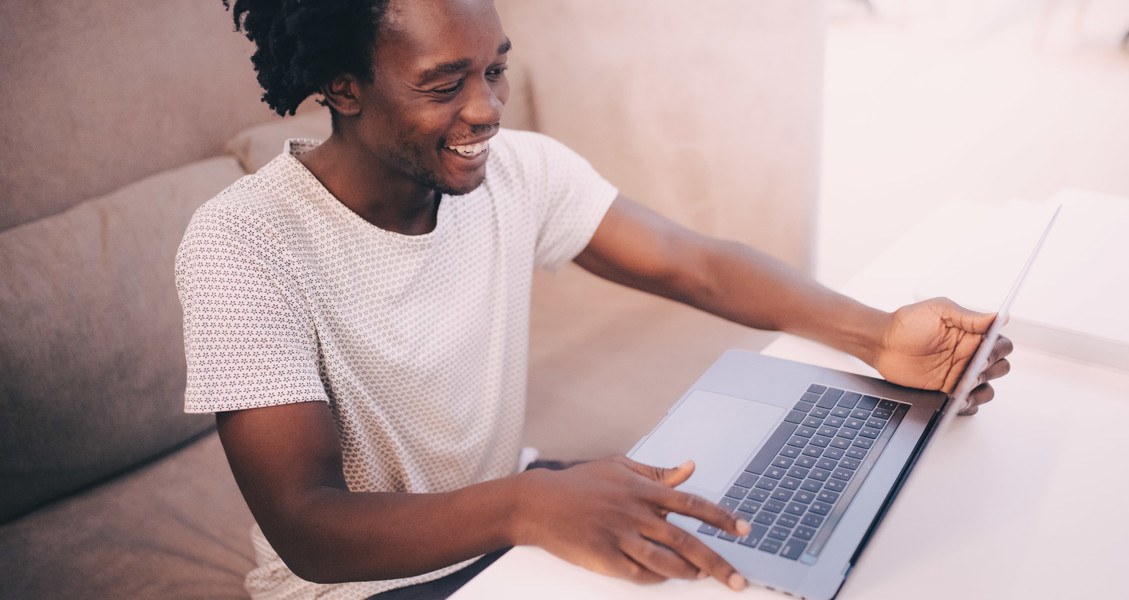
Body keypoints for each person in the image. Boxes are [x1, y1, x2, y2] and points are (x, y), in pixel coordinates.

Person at [177, 0, 1013, 598]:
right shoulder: (243, 245)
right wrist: (528, 503)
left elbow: (694, 263)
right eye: (444, 85)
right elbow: (309, 528)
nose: (486, 110)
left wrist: (877, 334)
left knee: (793, 541)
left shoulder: (519, 172)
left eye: (495, 70)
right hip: (368, 586)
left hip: (511, 509)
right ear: (343, 86)